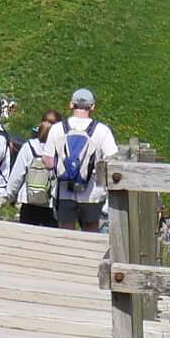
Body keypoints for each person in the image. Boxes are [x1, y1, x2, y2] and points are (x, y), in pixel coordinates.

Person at [42, 89, 119, 232]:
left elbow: (47, 161)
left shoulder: (57, 129)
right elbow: (113, 160)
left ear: (71, 105)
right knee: (90, 231)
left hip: (64, 191)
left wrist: (65, 167)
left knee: (64, 232)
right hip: (92, 193)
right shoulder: (102, 131)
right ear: (92, 107)